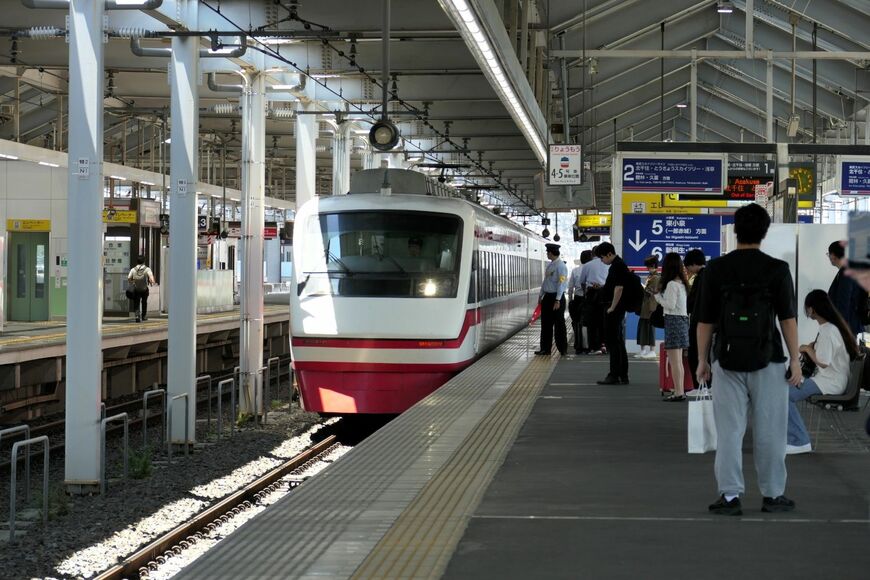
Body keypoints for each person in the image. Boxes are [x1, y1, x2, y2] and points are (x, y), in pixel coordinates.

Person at [697, 203, 801, 516]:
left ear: (736, 230)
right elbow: (788, 319)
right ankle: (772, 495)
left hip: (727, 361)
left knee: (729, 431)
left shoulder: (715, 269)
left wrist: (703, 360)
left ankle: (730, 497)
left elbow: (705, 321)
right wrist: (795, 359)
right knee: (771, 431)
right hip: (768, 360)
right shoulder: (777, 269)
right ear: (764, 232)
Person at [787, 289, 858, 454]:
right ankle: (794, 438)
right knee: (786, 392)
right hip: (830, 380)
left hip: (829, 382)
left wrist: (806, 348)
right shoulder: (831, 328)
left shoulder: (828, 331)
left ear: (813, 309)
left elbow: (824, 362)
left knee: (785, 395)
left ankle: (800, 440)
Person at [654, 253, 690, 401]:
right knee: (679, 361)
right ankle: (680, 390)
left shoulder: (671, 285)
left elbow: (669, 305)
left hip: (673, 321)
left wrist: (657, 296)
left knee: (675, 361)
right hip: (682, 321)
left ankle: (678, 392)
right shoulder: (682, 283)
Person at [595, 242, 631, 384]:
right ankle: (622, 374)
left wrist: (612, 307)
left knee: (613, 342)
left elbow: (619, 288)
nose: (602, 261)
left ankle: (614, 375)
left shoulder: (617, 266)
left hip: (614, 309)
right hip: (616, 308)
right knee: (618, 341)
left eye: (602, 257)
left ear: (609, 254)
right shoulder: (619, 265)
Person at [827, 240, 867, 336]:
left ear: (833, 255)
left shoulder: (846, 273)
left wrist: (841, 330)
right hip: (848, 326)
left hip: (847, 328)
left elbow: (843, 302)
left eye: (828, 254)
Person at [535, 243, 568, 356]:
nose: (547, 254)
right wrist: (541, 295)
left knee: (559, 324)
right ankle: (545, 349)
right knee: (546, 324)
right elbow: (546, 281)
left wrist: (558, 300)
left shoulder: (561, 266)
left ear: (551, 252)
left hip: (556, 298)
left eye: (547, 252)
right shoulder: (550, 265)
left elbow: (561, 283)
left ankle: (562, 348)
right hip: (548, 297)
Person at [579, 244, 610, 355]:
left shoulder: (587, 265)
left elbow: (582, 282)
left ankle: (594, 347)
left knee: (592, 322)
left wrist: (585, 292)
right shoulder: (608, 265)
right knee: (604, 321)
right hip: (605, 294)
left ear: (592, 254)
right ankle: (604, 345)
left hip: (591, 294)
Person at [684, 249, 708, 386]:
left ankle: (699, 385)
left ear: (693, 264)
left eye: (688, 266)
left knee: (695, 353)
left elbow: (693, 300)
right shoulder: (710, 274)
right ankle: (706, 385)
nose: (687, 269)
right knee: (705, 354)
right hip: (708, 320)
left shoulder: (700, 277)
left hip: (698, 320)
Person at [635, 255, 660, 359]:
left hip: (651, 306)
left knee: (650, 328)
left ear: (653, 265)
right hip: (646, 305)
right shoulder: (651, 277)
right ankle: (643, 350)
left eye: (648, 267)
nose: (647, 269)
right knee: (643, 327)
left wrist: (643, 288)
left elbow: (653, 291)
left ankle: (652, 350)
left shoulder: (657, 277)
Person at [568, 251, 592, 354]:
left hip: (577, 299)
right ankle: (587, 346)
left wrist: (570, 301)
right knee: (587, 323)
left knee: (577, 323)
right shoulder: (592, 270)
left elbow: (570, 288)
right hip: (588, 299)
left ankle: (578, 346)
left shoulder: (575, 271)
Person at [128, 255, 156, 323]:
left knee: (136, 303)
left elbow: (129, 278)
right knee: (144, 302)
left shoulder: (133, 269)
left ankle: (137, 316)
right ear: (144, 261)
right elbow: (151, 278)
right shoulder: (147, 269)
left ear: (137, 261)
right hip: (144, 289)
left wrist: (133, 281)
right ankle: (143, 316)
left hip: (136, 289)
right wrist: (152, 281)